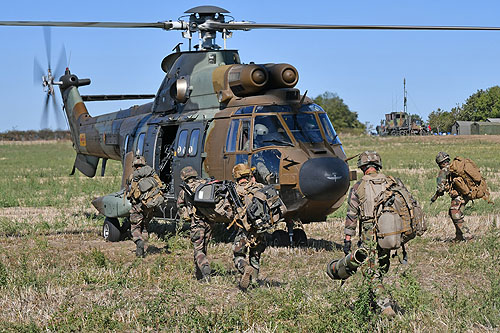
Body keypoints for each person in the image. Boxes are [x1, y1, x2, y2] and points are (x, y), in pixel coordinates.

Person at [342, 151, 401, 316]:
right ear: (377, 166)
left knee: (369, 271)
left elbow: (352, 215)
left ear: (362, 167)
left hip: (370, 233)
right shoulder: (391, 183)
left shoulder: (358, 186)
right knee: (381, 266)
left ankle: (385, 307)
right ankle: (371, 301)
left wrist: (348, 238)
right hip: (390, 230)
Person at [231, 163, 268, 290]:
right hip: (260, 228)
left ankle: (245, 268)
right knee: (255, 255)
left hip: (244, 230)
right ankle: (254, 282)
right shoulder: (260, 187)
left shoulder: (235, 191)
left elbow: (229, 212)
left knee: (238, 255)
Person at [177, 166, 214, 281]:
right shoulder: (206, 185)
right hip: (210, 221)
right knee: (204, 247)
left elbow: (180, 206)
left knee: (198, 249)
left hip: (197, 223)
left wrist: (186, 216)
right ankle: (200, 274)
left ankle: (205, 269)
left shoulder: (185, 190)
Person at [126, 155, 164, 258]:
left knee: (135, 227)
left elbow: (130, 193)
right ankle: (145, 246)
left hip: (138, 206)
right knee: (145, 227)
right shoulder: (152, 174)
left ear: (134, 165)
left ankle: (139, 242)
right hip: (150, 207)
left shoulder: (133, 177)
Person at [431, 152, 470, 241]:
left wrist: (435, 196)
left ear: (439, 163)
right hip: (466, 194)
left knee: (455, 213)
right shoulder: (455, 167)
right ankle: (459, 236)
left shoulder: (443, 171)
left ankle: (468, 235)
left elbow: (440, 190)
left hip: (459, 195)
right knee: (453, 212)